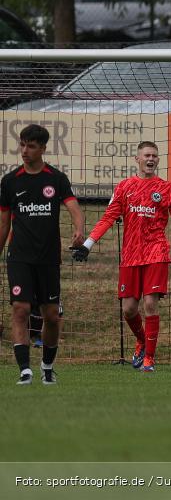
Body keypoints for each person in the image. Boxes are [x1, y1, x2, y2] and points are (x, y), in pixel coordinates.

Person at [70, 141, 171, 373]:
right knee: (129, 310)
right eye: (147, 155)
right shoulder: (124, 187)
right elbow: (108, 218)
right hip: (131, 255)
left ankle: (149, 359)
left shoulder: (166, 188)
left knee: (150, 304)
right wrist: (88, 245)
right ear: (137, 159)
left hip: (156, 252)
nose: (151, 159)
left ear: (157, 160)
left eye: (154, 156)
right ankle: (142, 340)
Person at [0, 124, 84, 385]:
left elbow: (74, 207)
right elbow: (3, 223)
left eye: (31, 146)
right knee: (20, 309)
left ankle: (47, 366)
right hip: (19, 257)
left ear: (43, 148)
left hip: (48, 258)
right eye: (22, 145)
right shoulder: (10, 181)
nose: (25, 150)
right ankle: (25, 370)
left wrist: (79, 229)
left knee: (51, 316)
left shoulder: (56, 178)